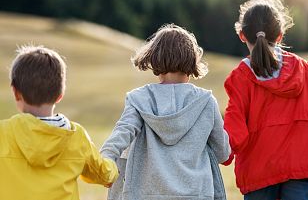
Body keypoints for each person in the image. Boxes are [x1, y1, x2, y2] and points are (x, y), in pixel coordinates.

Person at [223, 0, 308, 200]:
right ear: (280, 36)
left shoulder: (241, 77)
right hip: (304, 164)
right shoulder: (305, 69)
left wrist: (223, 152)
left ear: (241, 35)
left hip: (260, 170)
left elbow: (234, 125)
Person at [100, 24, 231, 200]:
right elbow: (223, 153)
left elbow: (122, 134)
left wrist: (105, 160)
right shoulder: (206, 102)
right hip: (196, 194)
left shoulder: (139, 99)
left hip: (146, 194)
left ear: (154, 58)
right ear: (192, 60)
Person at [0, 45, 118, 200]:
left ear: (15, 92)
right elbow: (105, 174)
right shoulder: (76, 136)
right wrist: (113, 163)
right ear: (60, 95)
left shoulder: (3, 133)